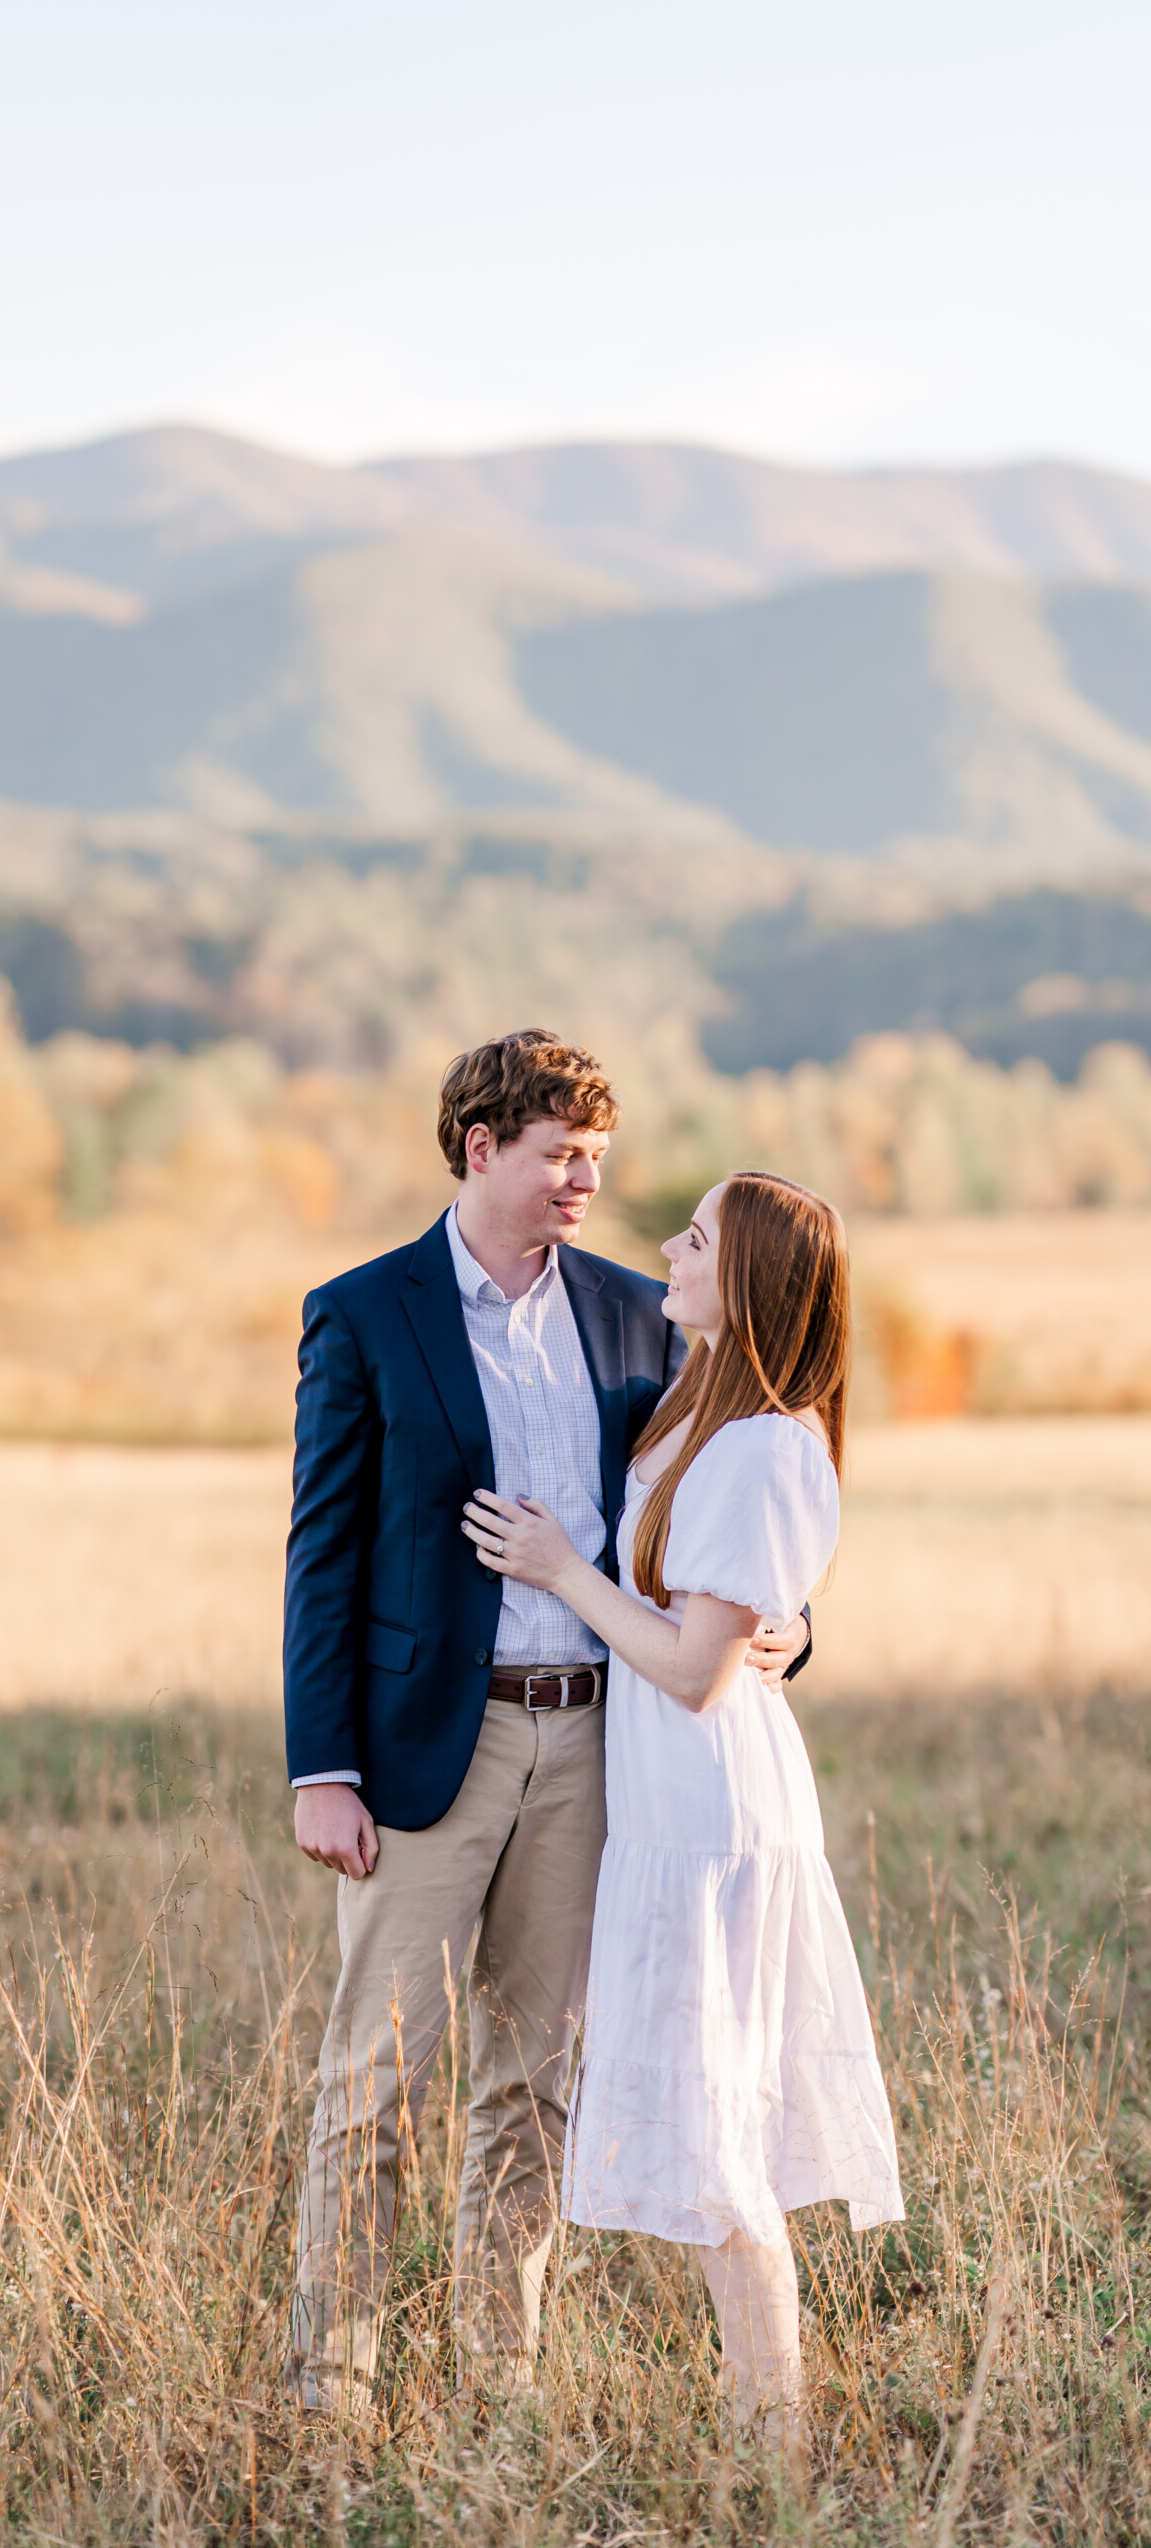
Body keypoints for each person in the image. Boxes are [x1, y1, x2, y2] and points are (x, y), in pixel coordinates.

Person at [283, 1033, 814, 2416]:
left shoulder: (636, 1313)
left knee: (531, 2085)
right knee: (371, 2081)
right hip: (413, 1763)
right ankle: (331, 2396)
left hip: (592, 1746)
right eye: (560, 1155)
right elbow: (319, 1554)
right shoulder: (362, 1312)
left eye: (596, 1157)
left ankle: (498, 2391)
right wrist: (320, 1767)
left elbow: (721, 1502)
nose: (587, 1180)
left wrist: (790, 1630)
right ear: (480, 1150)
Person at [463, 1170, 904, 2457]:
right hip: (669, 1808)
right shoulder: (703, 1404)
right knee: (713, 2146)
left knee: (723, 2156)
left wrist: (560, 1570)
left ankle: (774, 2450)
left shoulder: (768, 1439)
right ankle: (764, 2430)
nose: (667, 1242)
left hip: (712, 1820)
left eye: (698, 1235)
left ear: (752, 1273)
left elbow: (697, 1668)